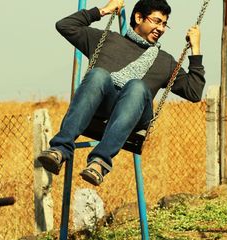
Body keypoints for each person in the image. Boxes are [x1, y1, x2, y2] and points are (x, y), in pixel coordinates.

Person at [38, 0, 206, 186]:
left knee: (137, 86)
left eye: (164, 24)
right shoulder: (106, 40)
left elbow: (194, 91)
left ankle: (100, 162)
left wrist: (195, 49)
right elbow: (65, 25)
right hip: (101, 106)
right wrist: (103, 11)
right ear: (138, 17)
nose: (161, 28)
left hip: (136, 115)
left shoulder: (164, 61)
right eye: (156, 21)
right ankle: (60, 149)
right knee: (98, 75)